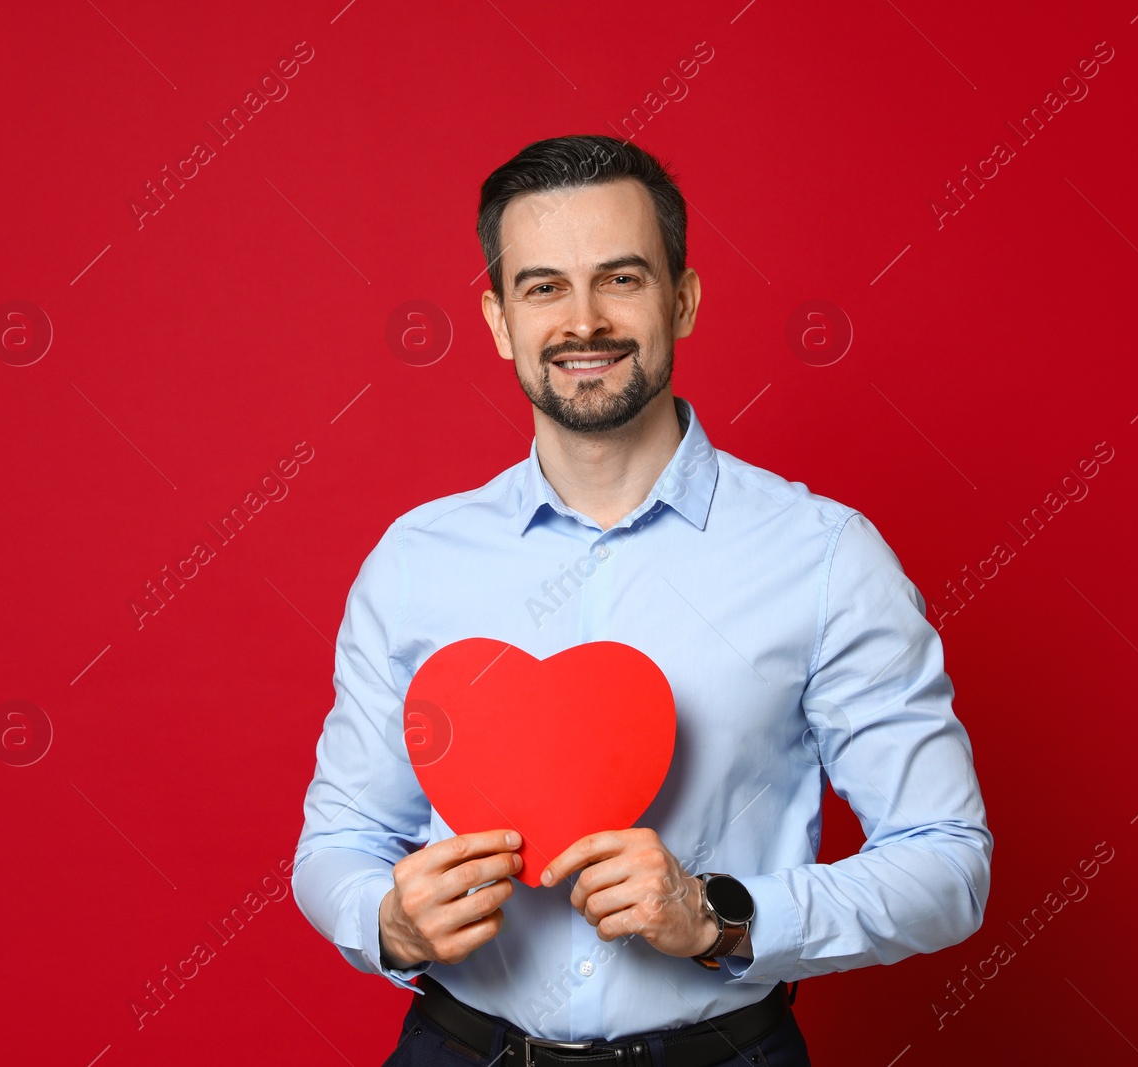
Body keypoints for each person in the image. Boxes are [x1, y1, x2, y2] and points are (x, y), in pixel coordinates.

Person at [292, 134, 993, 1066]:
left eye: (620, 279)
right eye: (544, 287)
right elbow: (337, 842)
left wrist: (719, 914)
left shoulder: (825, 557)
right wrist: (390, 920)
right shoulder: (416, 561)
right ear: (500, 319)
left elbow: (949, 862)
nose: (584, 321)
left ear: (684, 299)